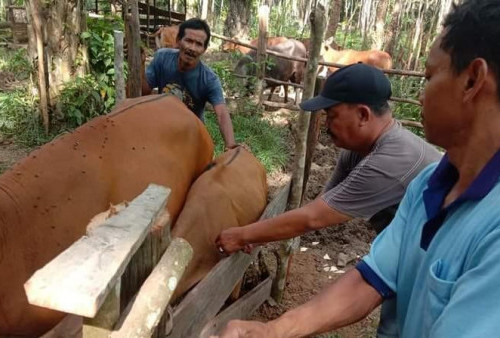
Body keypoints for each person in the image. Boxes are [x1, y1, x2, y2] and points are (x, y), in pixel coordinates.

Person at [213, 0, 500, 336]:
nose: (420, 97)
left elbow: (313, 218)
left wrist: (243, 234)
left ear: (472, 81)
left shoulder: (398, 163)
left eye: (429, 77)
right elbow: (373, 277)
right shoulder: (427, 185)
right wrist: (274, 330)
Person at [216, 62, 441, 255]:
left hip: (443, 256)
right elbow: (321, 205)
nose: (325, 125)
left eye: (331, 116)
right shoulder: (356, 150)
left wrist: (241, 235)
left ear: (362, 115)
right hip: (412, 246)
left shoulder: (391, 159)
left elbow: (313, 219)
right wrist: (256, 236)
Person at [142, 18, 236, 149]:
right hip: (161, 125)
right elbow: (143, 91)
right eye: (188, 41)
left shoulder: (209, 79)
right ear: (178, 40)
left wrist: (230, 145)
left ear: (204, 49)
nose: (192, 48)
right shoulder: (162, 58)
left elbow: (222, 113)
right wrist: (140, 66)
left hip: (191, 135)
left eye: (198, 44)